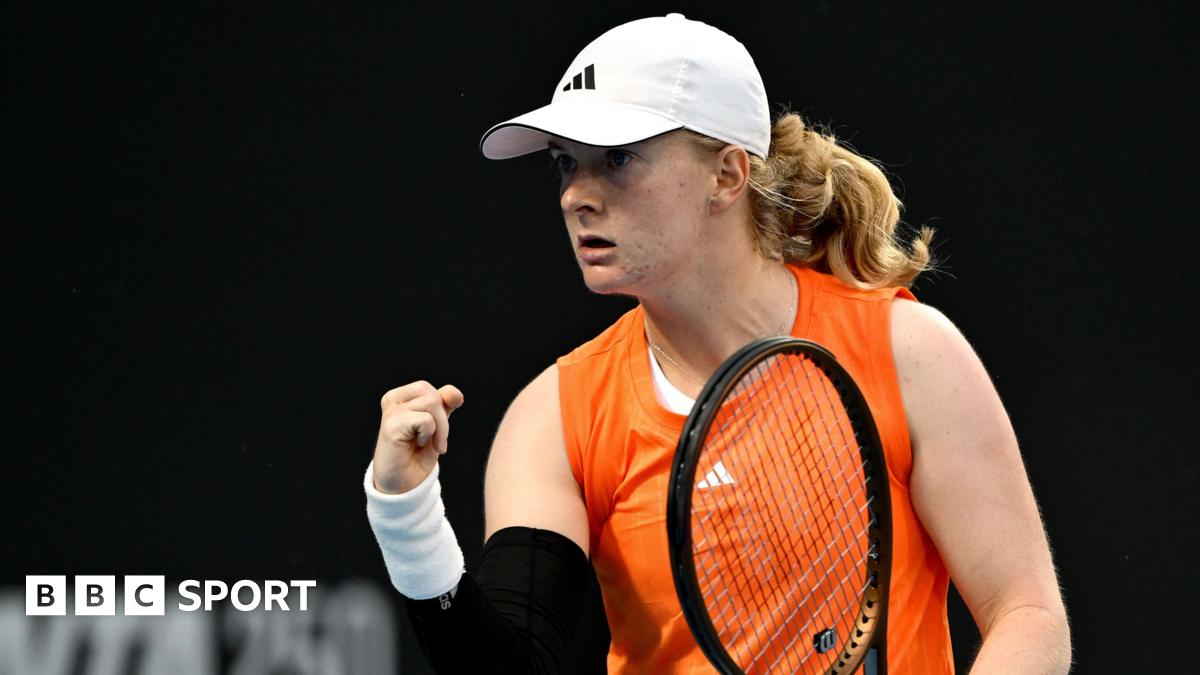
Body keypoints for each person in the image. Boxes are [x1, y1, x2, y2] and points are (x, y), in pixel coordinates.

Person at [364, 14, 1070, 674]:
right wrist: (407, 516)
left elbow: (1027, 612)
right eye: (565, 164)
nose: (575, 194)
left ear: (727, 174)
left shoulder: (908, 351)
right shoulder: (553, 418)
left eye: (615, 159)